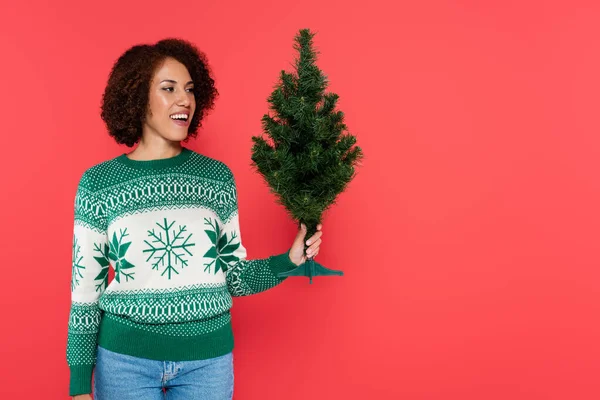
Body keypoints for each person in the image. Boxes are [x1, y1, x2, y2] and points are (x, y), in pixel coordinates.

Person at [67, 38, 323, 400]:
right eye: (168, 89)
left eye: (189, 89)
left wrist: (290, 260)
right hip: (125, 362)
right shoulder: (98, 184)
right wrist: (79, 382)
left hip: (208, 363)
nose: (184, 100)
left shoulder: (216, 178)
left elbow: (233, 275)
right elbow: (85, 291)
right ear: (138, 99)